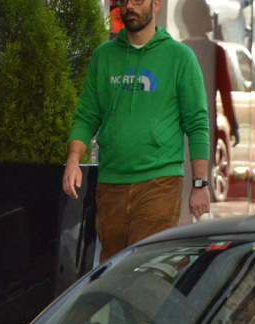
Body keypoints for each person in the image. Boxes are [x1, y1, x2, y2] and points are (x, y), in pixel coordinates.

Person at [65, 0, 210, 261]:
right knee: (113, 268)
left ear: (156, 4)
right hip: (110, 183)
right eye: (125, 0)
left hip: (159, 182)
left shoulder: (179, 57)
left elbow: (197, 124)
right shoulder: (103, 56)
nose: (130, 6)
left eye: (138, 0)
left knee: (148, 268)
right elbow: (86, 116)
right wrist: (73, 160)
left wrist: (200, 184)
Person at [179, 0, 237, 206]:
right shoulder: (216, 52)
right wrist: (233, 124)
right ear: (199, 19)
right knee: (201, 179)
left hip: (180, 127)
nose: (211, 18)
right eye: (207, 14)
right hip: (205, 126)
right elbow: (226, 93)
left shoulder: (180, 50)